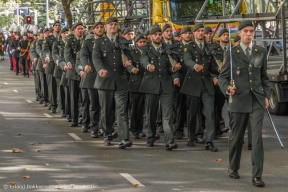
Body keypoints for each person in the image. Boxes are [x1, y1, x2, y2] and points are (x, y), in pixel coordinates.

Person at [218, 20, 270, 187]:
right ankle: (233, 167)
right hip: (238, 99)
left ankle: (257, 175)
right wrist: (227, 89)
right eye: (246, 31)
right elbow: (222, 77)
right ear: (239, 33)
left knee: (257, 138)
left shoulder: (260, 51)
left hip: (256, 99)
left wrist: (267, 95)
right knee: (236, 136)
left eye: (252, 31)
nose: (249, 34)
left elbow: (264, 78)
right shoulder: (231, 53)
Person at [92, 17, 132, 149]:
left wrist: (129, 63)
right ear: (106, 27)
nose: (113, 26)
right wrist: (100, 70)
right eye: (110, 24)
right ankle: (107, 134)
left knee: (121, 110)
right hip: (105, 81)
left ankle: (124, 137)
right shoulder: (99, 42)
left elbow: (130, 56)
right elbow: (96, 57)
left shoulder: (123, 41)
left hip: (120, 80)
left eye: (115, 24)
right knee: (106, 110)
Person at [139, 25, 180, 150]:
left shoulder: (168, 49)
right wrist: (148, 66)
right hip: (151, 84)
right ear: (151, 36)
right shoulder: (146, 48)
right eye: (155, 34)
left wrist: (174, 69)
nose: (157, 36)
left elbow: (169, 67)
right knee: (151, 113)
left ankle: (169, 141)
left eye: (159, 34)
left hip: (166, 85)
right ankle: (151, 136)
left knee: (167, 115)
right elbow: (143, 59)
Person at [181, 23, 219, 151]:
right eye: (199, 31)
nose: (202, 33)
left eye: (203, 31)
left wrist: (219, 69)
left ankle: (209, 141)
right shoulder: (189, 47)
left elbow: (212, 66)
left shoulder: (209, 47)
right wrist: (194, 66)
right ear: (194, 33)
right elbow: (187, 60)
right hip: (193, 84)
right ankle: (191, 137)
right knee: (192, 113)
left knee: (209, 113)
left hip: (206, 85)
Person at [80, 22, 105, 136]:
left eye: (101, 27)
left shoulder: (107, 41)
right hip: (92, 76)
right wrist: (85, 65)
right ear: (93, 30)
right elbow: (83, 55)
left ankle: (104, 128)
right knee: (94, 105)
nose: (99, 29)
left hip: (105, 77)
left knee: (105, 105)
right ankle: (94, 128)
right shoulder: (88, 42)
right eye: (97, 28)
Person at [210, 28, 230, 138]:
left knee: (232, 108)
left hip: (231, 82)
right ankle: (216, 129)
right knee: (217, 107)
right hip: (219, 82)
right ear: (220, 37)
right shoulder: (215, 50)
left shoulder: (232, 49)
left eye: (227, 35)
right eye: (224, 35)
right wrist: (215, 76)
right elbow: (211, 66)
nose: (226, 37)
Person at [64, 22, 85, 127]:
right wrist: (68, 63)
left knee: (85, 97)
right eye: (78, 29)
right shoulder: (70, 40)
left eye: (82, 28)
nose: (80, 30)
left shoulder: (87, 40)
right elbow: (67, 53)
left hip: (84, 72)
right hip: (73, 72)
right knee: (74, 97)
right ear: (74, 31)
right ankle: (75, 118)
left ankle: (84, 118)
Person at [127, 33, 147, 139]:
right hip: (136, 83)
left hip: (147, 83)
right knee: (136, 108)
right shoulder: (132, 52)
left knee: (144, 108)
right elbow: (128, 64)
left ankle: (141, 128)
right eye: (141, 42)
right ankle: (135, 129)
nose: (143, 44)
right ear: (136, 43)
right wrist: (132, 69)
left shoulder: (149, 51)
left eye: (144, 42)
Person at [173, 26, 191, 140]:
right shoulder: (177, 48)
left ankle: (194, 131)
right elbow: (174, 64)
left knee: (193, 107)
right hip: (181, 79)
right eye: (185, 33)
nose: (188, 35)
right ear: (182, 35)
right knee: (180, 106)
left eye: (189, 33)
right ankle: (178, 129)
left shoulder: (195, 47)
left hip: (193, 80)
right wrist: (176, 77)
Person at [42, 21, 61, 113]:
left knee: (61, 86)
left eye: (59, 25)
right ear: (53, 28)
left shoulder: (63, 38)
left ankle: (62, 106)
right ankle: (53, 104)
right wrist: (46, 57)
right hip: (51, 64)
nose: (58, 27)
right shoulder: (48, 39)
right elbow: (45, 50)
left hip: (60, 65)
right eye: (56, 26)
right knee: (52, 86)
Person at [52, 27, 70, 117]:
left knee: (69, 92)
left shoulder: (71, 43)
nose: (66, 35)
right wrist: (57, 61)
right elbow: (54, 54)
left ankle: (69, 109)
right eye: (65, 33)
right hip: (60, 69)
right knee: (61, 90)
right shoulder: (57, 43)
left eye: (68, 33)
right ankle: (62, 108)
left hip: (70, 70)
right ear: (61, 34)